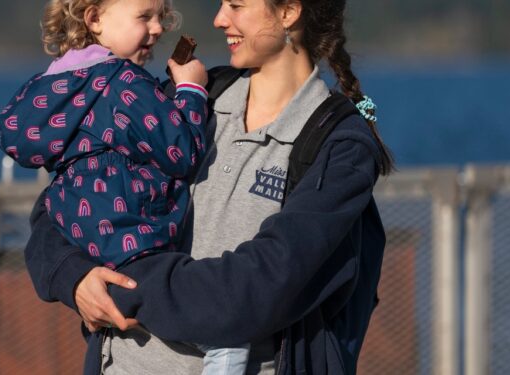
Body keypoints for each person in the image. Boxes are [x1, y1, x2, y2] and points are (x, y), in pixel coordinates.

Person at [24, 0, 395, 373]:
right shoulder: (187, 98)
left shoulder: (341, 146)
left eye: (235, 5)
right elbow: (61, 205)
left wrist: (119, 287)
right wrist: (74, 276)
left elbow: (247, 294)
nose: (219, 20)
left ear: (289, 12)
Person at [0, 0, 254, 373]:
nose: (159, 28)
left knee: (133, 308)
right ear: (95, 18)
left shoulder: (52, 85)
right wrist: (191, 90)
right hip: (133, 233)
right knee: (217, 328)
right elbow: (182, 149)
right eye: (144, 17)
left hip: (87, 239)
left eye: (160, 17)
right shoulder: (121, 81)